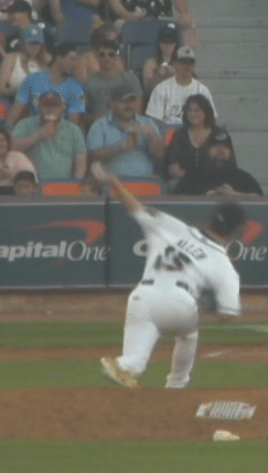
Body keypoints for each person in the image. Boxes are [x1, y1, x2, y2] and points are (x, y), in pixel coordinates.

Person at [93, 159, 246, 389]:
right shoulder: (223, 263)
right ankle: (176, 385)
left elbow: (135, 207)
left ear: (211, 218)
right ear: (236, 231)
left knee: (136, 359)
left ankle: (124, 366)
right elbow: (229, 313)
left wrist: (114, 181)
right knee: (189, 334)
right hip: (180, 303)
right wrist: (207, 307)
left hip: (142, 298)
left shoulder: (172, 226)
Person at [87, 84, 164, 178]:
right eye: (123, 102)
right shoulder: (100, 125)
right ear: (111, 104)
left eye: (131, 101)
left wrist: (153, 136)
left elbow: (161, 155)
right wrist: (120, 147)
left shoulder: (148, 123)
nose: (128, 106)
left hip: (146, 180)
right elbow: (94, 157)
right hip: (113, 183)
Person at [11, 90, 89, 180]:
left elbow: (81, 160)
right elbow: (13, 148)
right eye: (46, 106)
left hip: (65, 185)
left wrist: (76, 182)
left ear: (62, 108)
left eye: (54, 106)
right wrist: (39, 135)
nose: (50, 109)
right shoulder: (25, 124)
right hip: (34, 184)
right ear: (39, 108)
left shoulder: (73, 129)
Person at [7, 42, 86, 128]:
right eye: (72, 59)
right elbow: (14, 114)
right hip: (34, 131)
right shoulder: (32, 80)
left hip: (61, 133)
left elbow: (73, 124)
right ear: (59, 57)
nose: (75, 64)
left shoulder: (76, 87)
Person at [173, 131, 264, 196]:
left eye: (225, 147)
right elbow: (177, 202)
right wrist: (204, 198)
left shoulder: (243, 178)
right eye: (215, 146)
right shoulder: (192, 177)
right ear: (207, 151)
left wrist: (236, 195)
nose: (220, 150)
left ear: (231, 152)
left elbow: (260, 200)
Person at [146, 46, 216, 128]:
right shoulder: (161, 89)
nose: (187, 66)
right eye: (183, 63)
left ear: (194, 65)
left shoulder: (202, 90)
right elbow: (154, 121)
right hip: (168, 135)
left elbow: (210, 119)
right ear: (175, 64)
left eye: (190, 63)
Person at [164, 94, 228, 185]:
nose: (193, 114)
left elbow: (225, 165)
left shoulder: (219, 134)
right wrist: (192, 180)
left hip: (213, 181)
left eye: (197, 110)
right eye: (189, 111)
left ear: (206, 111)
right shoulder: (180, 134)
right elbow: (173, 167)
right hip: (184, 181)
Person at [83, 37, 142, 130]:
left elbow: (137, 110)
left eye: (111, 54)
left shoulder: (130, 79)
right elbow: (82, 115)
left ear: (116, 56)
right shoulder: (90, 83)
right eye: (102, 55)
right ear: (96, 57)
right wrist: (95, 118)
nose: (107, 58)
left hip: (128, 125)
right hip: (100, 127)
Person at [0, 24, 50, 99]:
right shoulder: (11, 59)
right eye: (31, 43)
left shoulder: (48, 59)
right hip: (15, 100)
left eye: (37, 43)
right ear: (23, 43)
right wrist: (19, 90)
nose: (34, 47)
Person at [141, 26, 180, 97]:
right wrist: (158, 76)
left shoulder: (181, 64)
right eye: (164, 41)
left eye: (170, 42)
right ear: (159, 43)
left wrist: (174, 75)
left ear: (175, 44)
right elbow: (147, 91)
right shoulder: (150, 64)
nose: (167, 45)